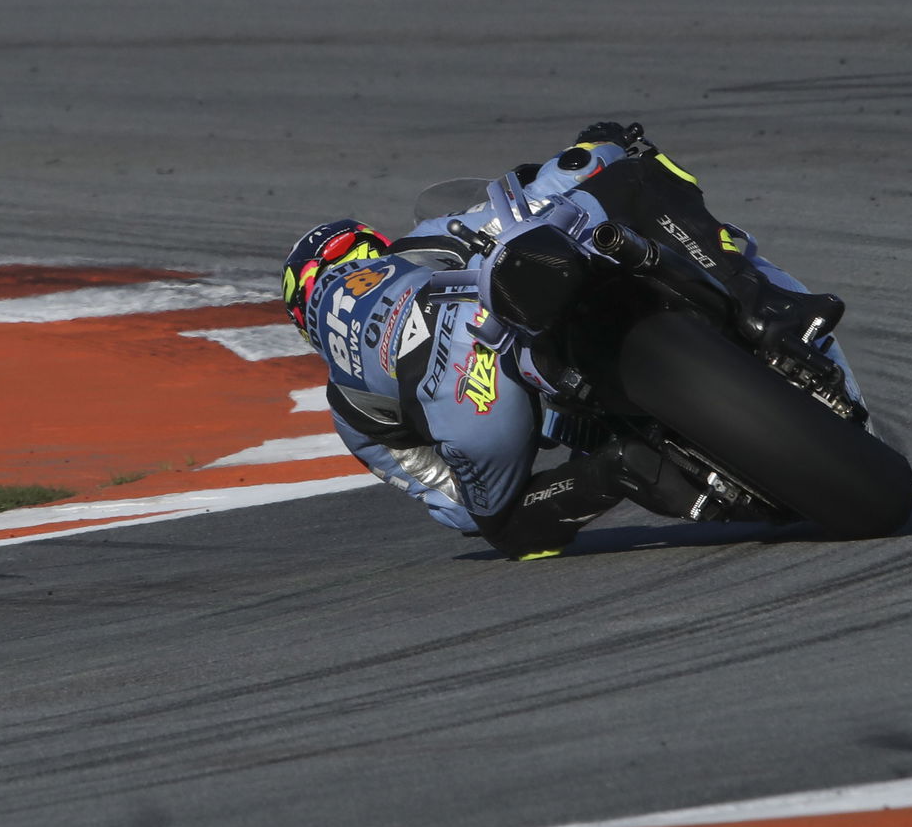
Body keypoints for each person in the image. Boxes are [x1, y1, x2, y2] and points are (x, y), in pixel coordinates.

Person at [281, 122, 859, 560]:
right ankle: (767, 306)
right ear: (368, 245)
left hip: (469, 396)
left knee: (497, 527)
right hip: (487, 302)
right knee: (629, 173)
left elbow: (447, 498)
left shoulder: (348, 404)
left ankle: (617, 468)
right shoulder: (422, 240)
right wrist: (603, 145)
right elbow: (563, 174)